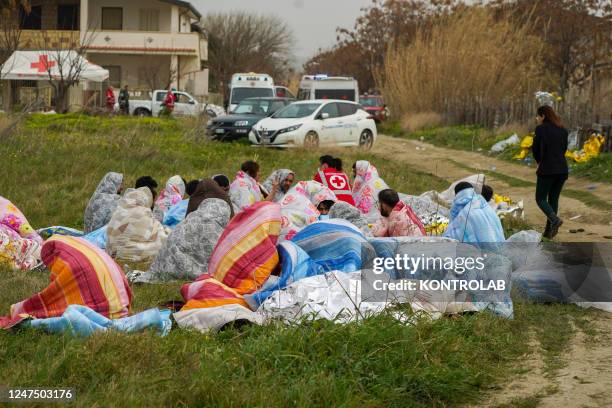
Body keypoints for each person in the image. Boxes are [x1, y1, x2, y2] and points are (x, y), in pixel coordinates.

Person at [106, 187, 170, 263]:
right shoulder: (142, 212)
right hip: (128, 254)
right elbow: (152, 233)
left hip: (112, 251)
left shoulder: (119, 211)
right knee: (163, 239)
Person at [532, 105, 568, 239]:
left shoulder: (541, 129)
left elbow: (535, 149)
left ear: (543, 116)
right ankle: (548, 232)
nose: (537, 119)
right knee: (553, 199)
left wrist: (539, 162)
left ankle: (555, 220)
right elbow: (564, 149)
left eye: (538, 116)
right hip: (562, 170)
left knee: (540, 198)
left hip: (547, 169)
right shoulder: (563, 129)